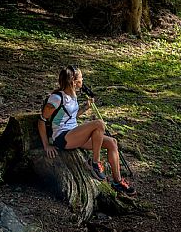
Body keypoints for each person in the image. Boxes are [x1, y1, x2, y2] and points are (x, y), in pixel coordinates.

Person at [37, 65, 136, 196]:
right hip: (62, 138)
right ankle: (95, 163)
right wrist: (46, 145)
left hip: (73, 134)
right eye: (81, 78)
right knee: (99, 124)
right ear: (73, 82)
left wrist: (85, 108)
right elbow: (42, 120)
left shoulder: (72, 96)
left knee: (112, 142)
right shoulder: (56, 99)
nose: (83, 80)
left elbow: (67, 117)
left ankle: (117, 182)